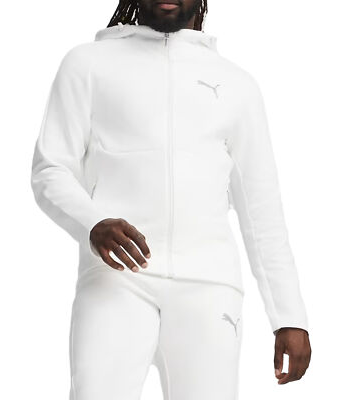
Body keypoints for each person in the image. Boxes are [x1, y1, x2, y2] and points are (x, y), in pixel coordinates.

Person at [30, 1, 312, 399]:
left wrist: (289, 315)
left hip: (209, 285)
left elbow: (261, 208)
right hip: (115, 277)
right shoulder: (88, 64)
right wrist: (92, 223)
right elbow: (50, 168)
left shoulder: (236, 84)